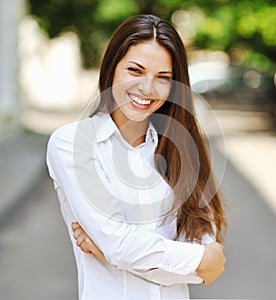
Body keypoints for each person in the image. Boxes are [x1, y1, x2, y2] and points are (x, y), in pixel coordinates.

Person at [46, 14, 227, 300]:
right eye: (135, 70)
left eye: (163, 78)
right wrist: (196, 259)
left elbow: (207, 256)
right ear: (111, 69)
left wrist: (111, 252)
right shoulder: (71, 143)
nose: (147, 88)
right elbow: (121, 245)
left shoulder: (179, 150)